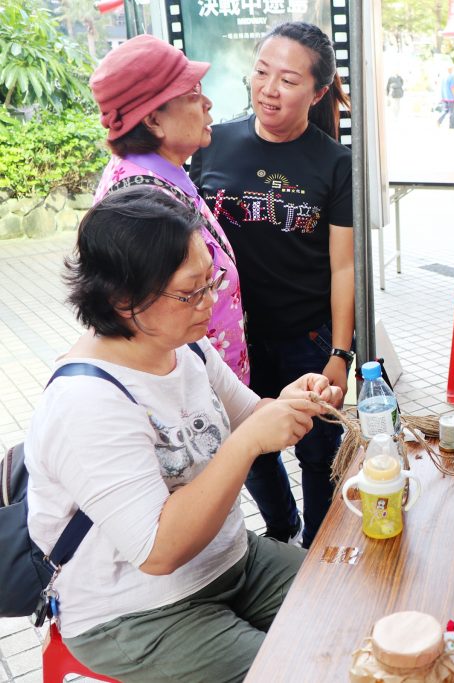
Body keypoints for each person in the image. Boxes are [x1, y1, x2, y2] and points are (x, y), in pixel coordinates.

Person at [25, 187, 342, 682]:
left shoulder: (185, 348)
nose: (210, 302)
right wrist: (248, 441)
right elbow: (158, 551)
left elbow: (254, 414)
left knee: (353, 604)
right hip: (137, 612)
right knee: (302, 670)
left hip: (230, 561)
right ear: (123, 300)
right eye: (190, 292)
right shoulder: (85, 403)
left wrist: (292, 400)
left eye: (210, 280)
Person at [190, 21, 354, 548]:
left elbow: (343, 267)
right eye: (262, 72)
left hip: (305, 337)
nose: (268, 89)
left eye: (287, 79)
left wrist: (340, 354)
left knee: (318, 451)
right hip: (230, 341)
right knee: (249, 444)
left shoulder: (335, 162)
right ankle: (281, 531)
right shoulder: (214, 144)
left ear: (318, 91)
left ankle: (317, 547)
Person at [88, 35, 249, 384]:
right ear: (152, 121)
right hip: (190, 405)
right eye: (192, 95)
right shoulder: (141, 206)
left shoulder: (162, 175)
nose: (207, 103)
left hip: (214, 391)